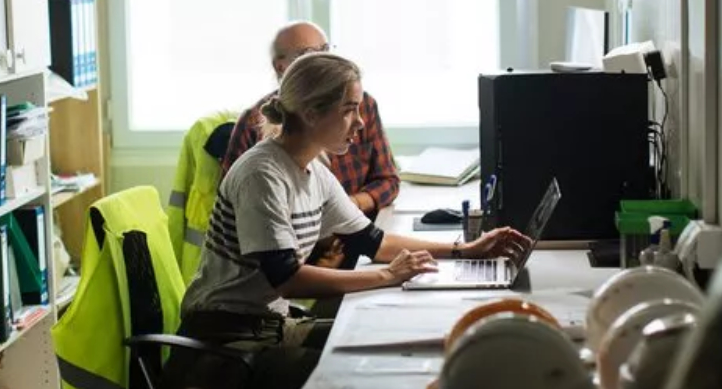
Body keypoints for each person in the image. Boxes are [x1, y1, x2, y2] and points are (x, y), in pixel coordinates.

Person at [168, 53, 531, 389]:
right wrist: (386, 276)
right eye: (349, 110)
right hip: (225, 345)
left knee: (395, 344)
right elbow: (286, 279)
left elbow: (372, 242)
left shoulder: (314, 169)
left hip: (269, 327)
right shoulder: (262, 174)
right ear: (311, 113)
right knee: (364, 375)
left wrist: (464, 250)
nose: (359, 122)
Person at [222, 21, 399, 217]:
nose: (321, 61)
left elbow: (387, 180)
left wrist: (352, 206)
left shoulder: (361, 105)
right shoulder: (260, 151)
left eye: (325, 50)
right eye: (307, 54)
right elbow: (241, 208)